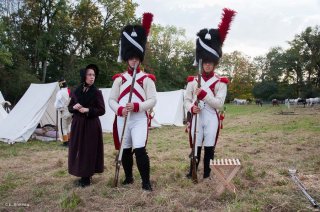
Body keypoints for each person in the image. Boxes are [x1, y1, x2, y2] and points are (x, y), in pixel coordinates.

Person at [184, 8, 236, 180]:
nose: (207, 65)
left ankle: (207, 173)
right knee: (195, 145)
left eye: (210, 63)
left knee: (209, 146)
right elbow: (186, 100)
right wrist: (192, 107)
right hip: (197, 115)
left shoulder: (221, 82)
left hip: (211, 116)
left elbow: (219, 104)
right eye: (205, 62)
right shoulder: (193, 81)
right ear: (202, 62)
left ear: (214, 64)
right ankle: (192, 170)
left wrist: (205, 94)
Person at [109, 13, 156, 191]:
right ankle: (128, 177)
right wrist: (120, 109)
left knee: (140, 149)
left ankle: (145, 181)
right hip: (123, 118)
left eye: (136, 57)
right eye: (131, 57)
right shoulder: (118, 79)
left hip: (139, 119)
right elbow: (111, 100)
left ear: (140, 58)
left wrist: (137, 106)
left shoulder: (147, 79)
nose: (134, 60)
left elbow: (153, 100)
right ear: (127, 58)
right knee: (125, 150)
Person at [68, 64, 105, 187]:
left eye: (93, 75)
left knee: (88, 150)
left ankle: (86, 177)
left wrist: (88, 110)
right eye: (89, 74)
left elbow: (101, 110)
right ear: (84, 76)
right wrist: (74, 107)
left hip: (91, 125)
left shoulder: (96, 92)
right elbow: (70, 107)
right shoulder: (76, 91)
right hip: (78, 124)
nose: (92, 77)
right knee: (78, 149)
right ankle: (80, 173)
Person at [54, 78, 72, 146]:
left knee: (63, 128)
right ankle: (69, 141)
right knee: (68, 127)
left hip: (64, 111)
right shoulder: (68, 91)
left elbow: (58, 101)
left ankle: (65, 142)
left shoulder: (60, 92)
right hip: (70, 111)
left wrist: (58, 107)